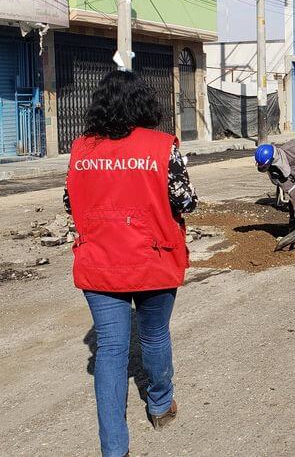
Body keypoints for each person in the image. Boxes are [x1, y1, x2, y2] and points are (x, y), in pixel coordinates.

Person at [64, 70, 197, 457]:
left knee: (109, 350)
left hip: (100, 262)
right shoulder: (161, 146)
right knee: (154, 335)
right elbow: (185, 201)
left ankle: (114, 447)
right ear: (144, 102)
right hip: (154, 258)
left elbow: (70, 203)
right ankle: (159, 405)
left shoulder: (81, 150)